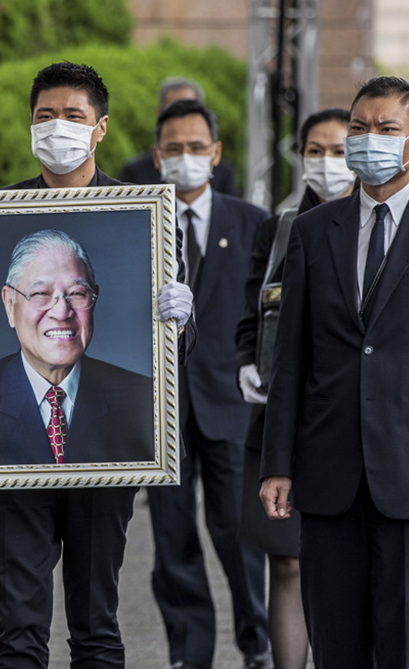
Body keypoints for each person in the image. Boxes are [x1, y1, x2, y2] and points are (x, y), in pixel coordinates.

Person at [0, 61, 195, 668]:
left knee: (96, 628)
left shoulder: (146, 216)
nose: (57, 127)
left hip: (106, 456)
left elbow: (172, 360)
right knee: (18, 632)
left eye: (72, 116)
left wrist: (179, 320)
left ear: (100, 128)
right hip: (11, 462)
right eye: (45, 116)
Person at [259, 77, 409, 669]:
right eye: (359, 129)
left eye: (386, 129)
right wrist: (278, 464)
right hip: (327, 474)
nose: (369, 141)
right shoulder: (313, 232)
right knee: (337, 646)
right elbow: (291, 357)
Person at [144, 99, 272, 669]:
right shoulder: (134, 219)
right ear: (156, 156)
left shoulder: (252, 222)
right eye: (174, 148)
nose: (186, 158)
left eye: (197, 147)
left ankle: (258, 642)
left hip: (228, 402)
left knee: (239, 534)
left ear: (216, 154)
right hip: (158, 407)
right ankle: (188, 653)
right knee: (172, 539)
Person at [235, 107, 354, 669]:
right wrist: (245, 363)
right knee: (286, 560)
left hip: (351, 422)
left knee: (346, 562)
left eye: (337, 150)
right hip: (281, 421)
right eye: (314, 151)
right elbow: (251, 316)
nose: (326, 163)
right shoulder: (279, 227)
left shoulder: (378, 226)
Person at [0, 229, 155, 466]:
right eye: (40, 294)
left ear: (94, 299)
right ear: (10, 304)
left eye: (78, 293)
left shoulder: (142, 397)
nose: (61, 312)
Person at [120, 77, 240, 196]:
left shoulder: (224, 174)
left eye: (197, 147)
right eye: (174, 148)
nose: (182, 117)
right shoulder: (136, 172)